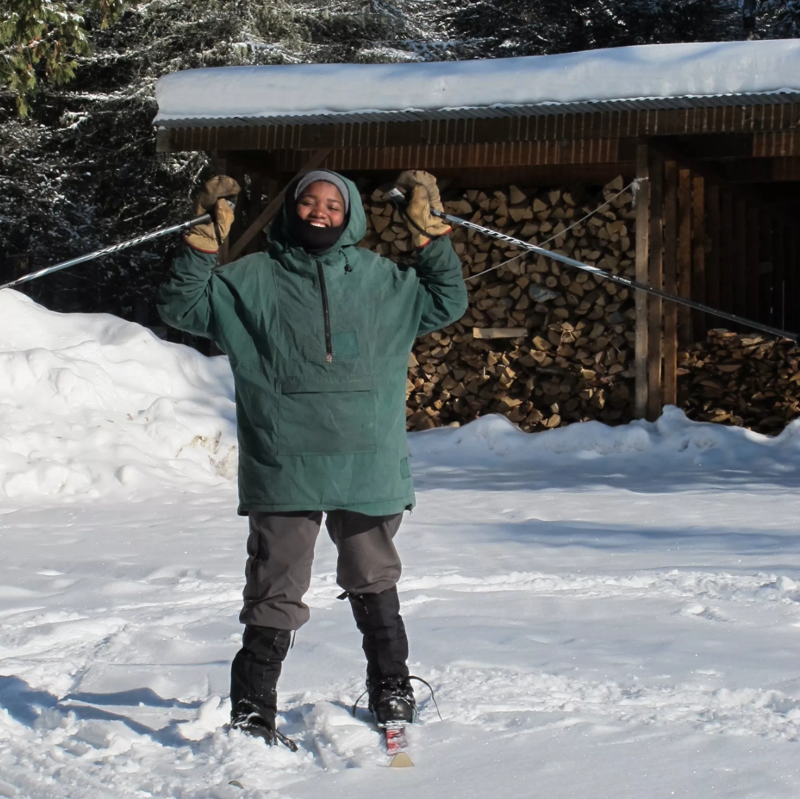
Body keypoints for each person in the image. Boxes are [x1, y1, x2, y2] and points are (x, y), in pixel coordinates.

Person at [157, 168, 467, 746]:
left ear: (350, 213)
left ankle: (392, 686)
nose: (320, 211)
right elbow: (183, 307)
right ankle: (253, 709)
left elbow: (447, 301)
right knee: (275, 584)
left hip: (366, 461)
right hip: (284, 459)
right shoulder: (249, 278)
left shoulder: (383, 280)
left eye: (333, 202)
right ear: (290, 208)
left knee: (374, 576)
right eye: (308, 200)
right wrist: (203, 241)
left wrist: (430, 236)